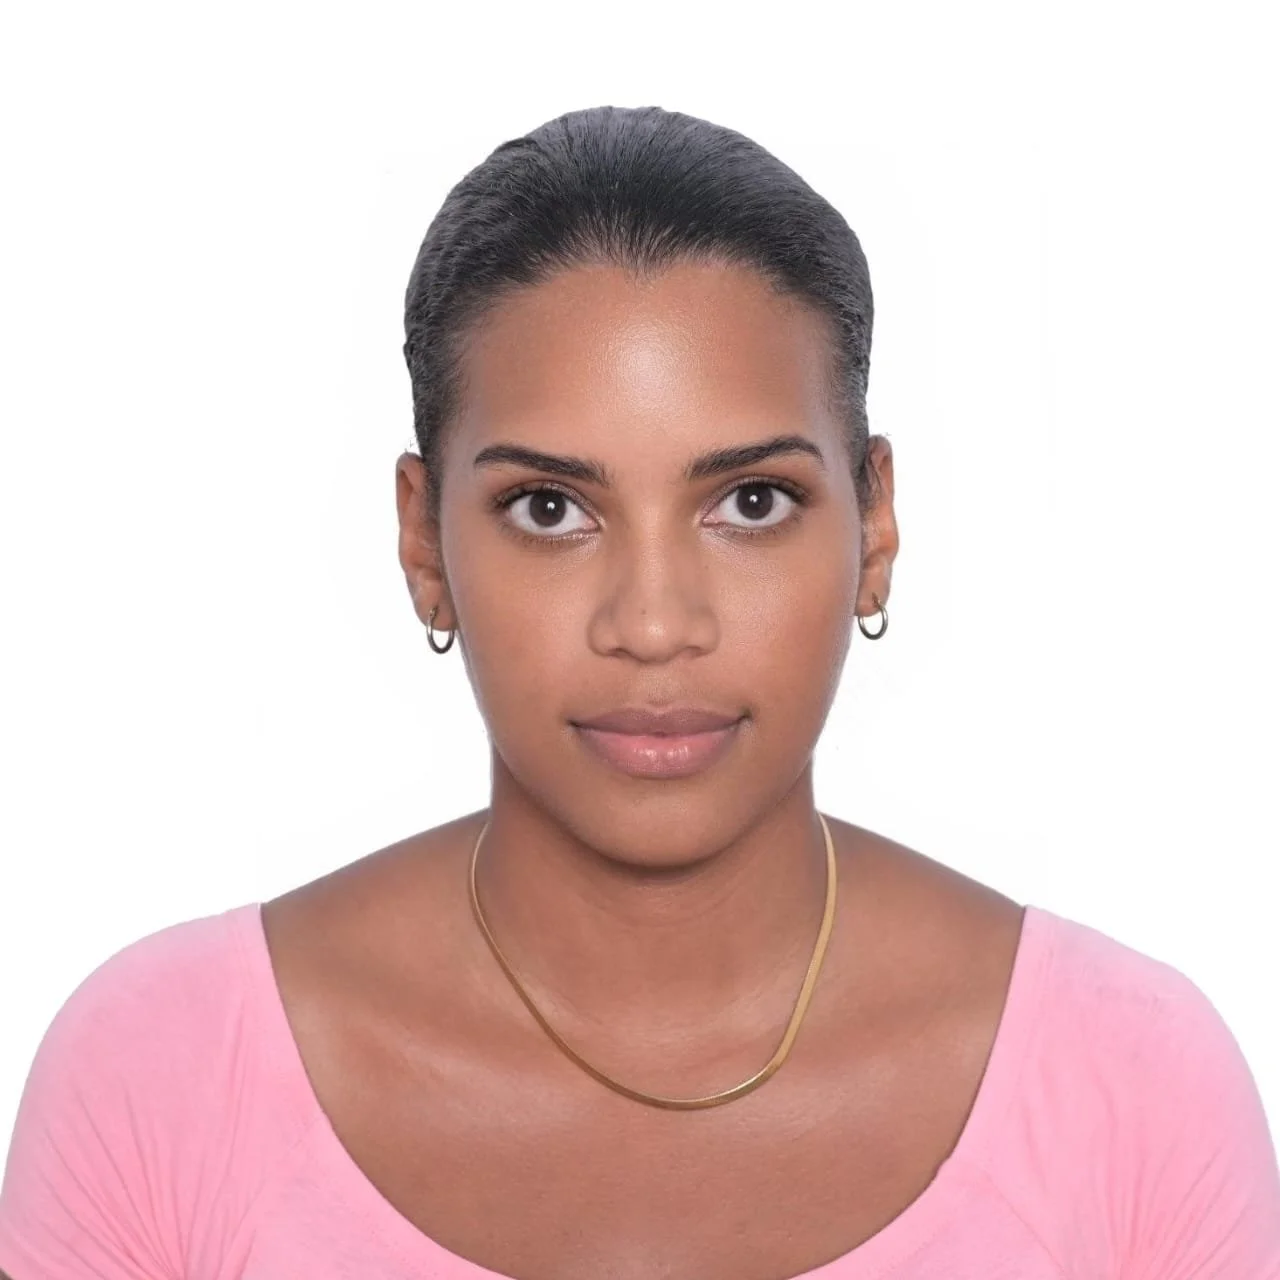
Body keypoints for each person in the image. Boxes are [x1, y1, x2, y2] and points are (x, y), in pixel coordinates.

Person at [1, 104, 1277, 1280]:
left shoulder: (1130, 1087)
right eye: (548, 508)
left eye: (750, 501)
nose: (654, 623)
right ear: (423, 540)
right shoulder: (159, 1081)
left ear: (872, 524)